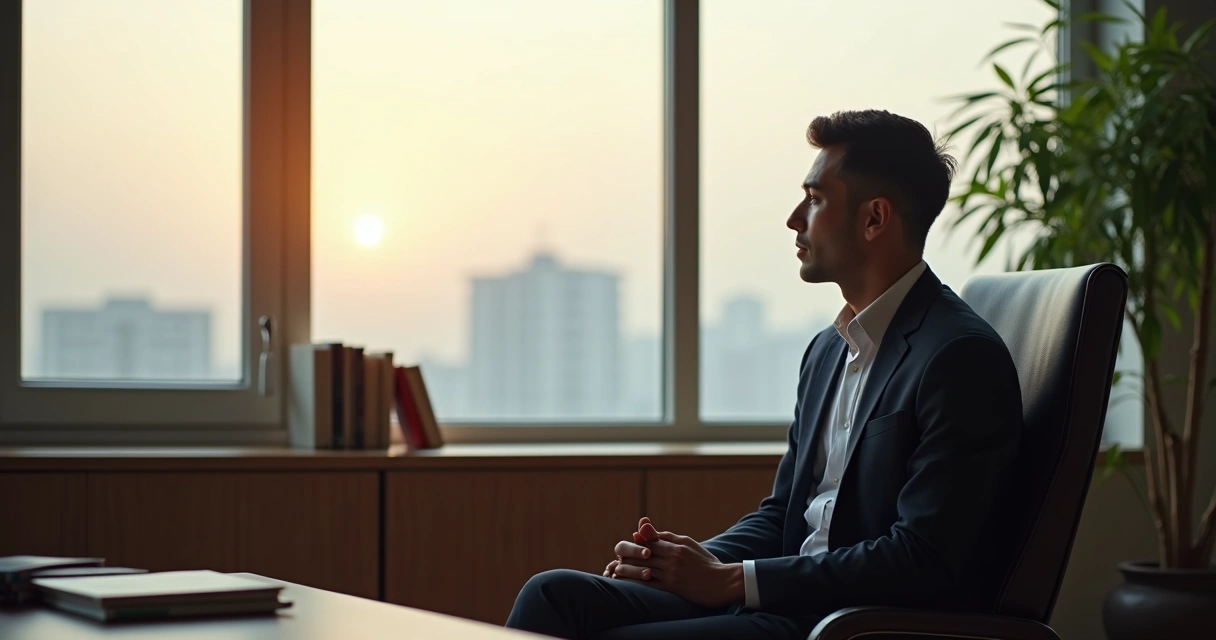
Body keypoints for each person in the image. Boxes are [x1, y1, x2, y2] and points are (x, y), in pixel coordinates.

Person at [504, 109, 1024, 640]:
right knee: (551, 595)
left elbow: (923, 558)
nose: (795, 218)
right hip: (778, 600)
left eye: (816, 198)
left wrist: (732, 581)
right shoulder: (827, 351)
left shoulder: (958, 357)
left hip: (842, 622)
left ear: (874, 219)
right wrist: (686, 565)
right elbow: (783, 516)